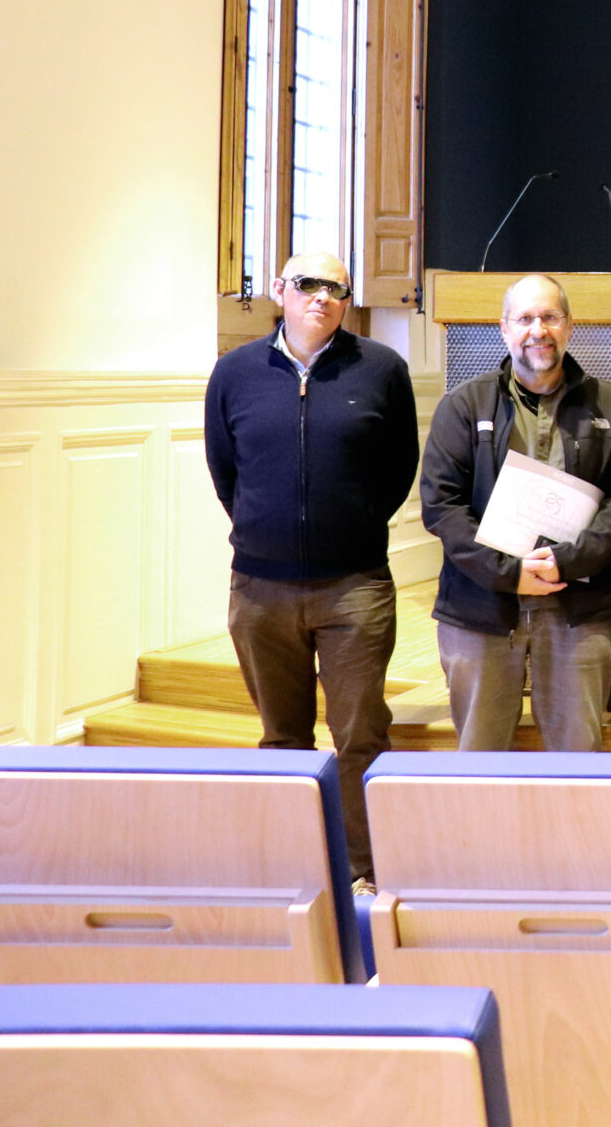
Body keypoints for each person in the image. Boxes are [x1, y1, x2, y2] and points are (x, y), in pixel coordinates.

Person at [204, 251, 419, 888]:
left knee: (360, 736)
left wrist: (347, 525)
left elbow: (396, 469)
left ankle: (363, 871)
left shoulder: (382, 370)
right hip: (260, 590)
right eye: (306, 285)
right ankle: (295, 866)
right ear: (280, 291)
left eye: (336, 288)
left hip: (354, 587)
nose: (321, 297)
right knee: (282, 736)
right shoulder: (234, 373)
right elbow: (226, 472)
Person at [419, 274, 611, 752]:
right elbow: (441, 506)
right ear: (503, 328)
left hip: (576, 607)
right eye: (525, 318)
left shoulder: (610, 405)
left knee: (579, 760)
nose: (538, 329)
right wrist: (508, 572)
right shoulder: (463, 405)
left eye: (550, 317)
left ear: (569, 326)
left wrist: (570, 561)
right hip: (480, 607)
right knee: (479, 761)